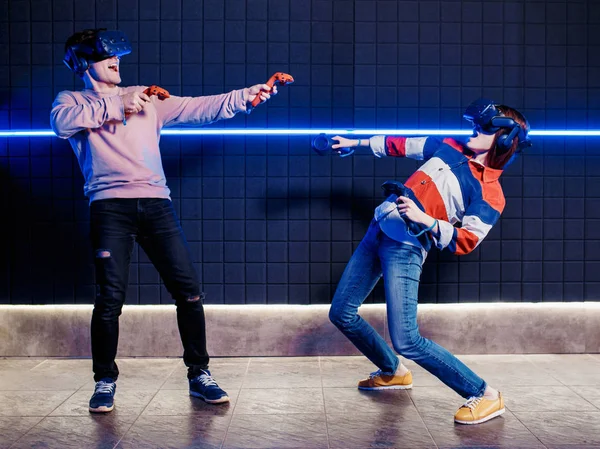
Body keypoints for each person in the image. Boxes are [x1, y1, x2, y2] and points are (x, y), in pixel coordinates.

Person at [50, 28, 277, 413]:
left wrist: (247, 95)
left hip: (157, 205)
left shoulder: (147, 98)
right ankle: (105, 381)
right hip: (109, 209)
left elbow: (200, 107)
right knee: (109, 300)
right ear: (85, 63)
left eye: (117, 56)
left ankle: (199, 374)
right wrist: (122, 102)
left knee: (189, 292)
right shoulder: (72, 100)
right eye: (107, 56)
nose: (116, 61)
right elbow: (61, 124)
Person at [328, 99, 531, 425]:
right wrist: (356, 142)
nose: (474, 131)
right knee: (341, 313)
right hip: (378, 229)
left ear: (505, 139)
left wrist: (426, 220)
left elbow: (466, 240)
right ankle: (393, 371)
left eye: (485, 128)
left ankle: (485, 394)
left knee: (407, 339)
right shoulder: (450, 146)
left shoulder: (490, 193)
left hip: (406, 249)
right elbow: (401, 144)